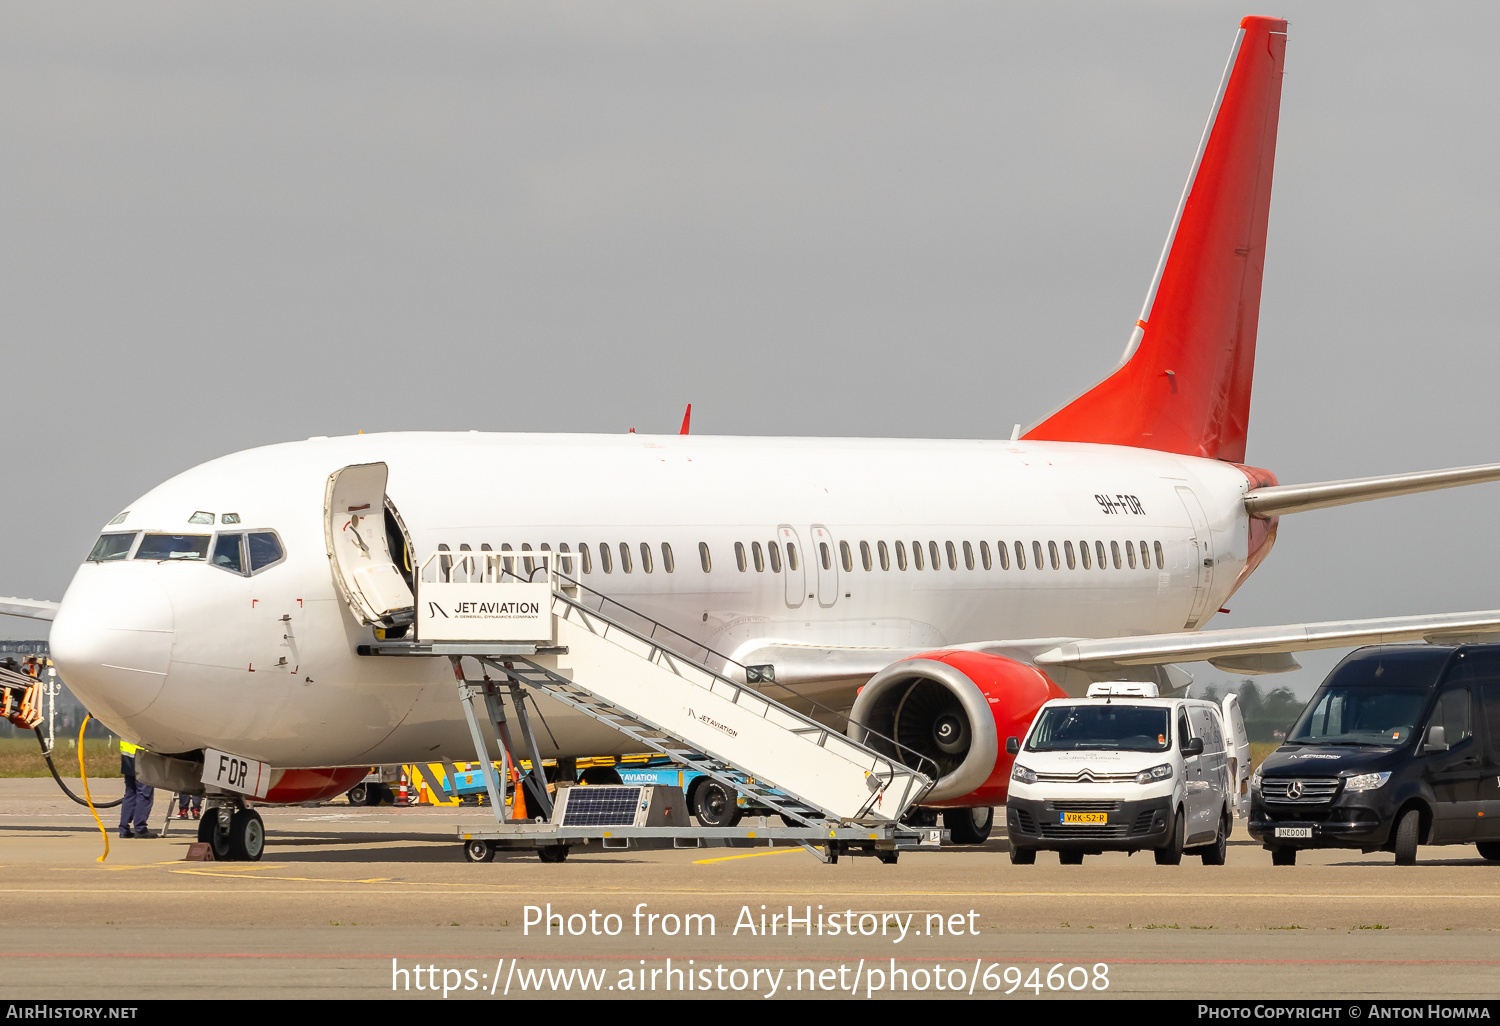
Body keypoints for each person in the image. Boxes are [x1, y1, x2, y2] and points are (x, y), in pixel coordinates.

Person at [118, 740, 155, 838]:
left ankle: (123, 829)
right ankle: (140, 829)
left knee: (130, 793)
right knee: (144, 794)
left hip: (127, 756)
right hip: (142, 756)